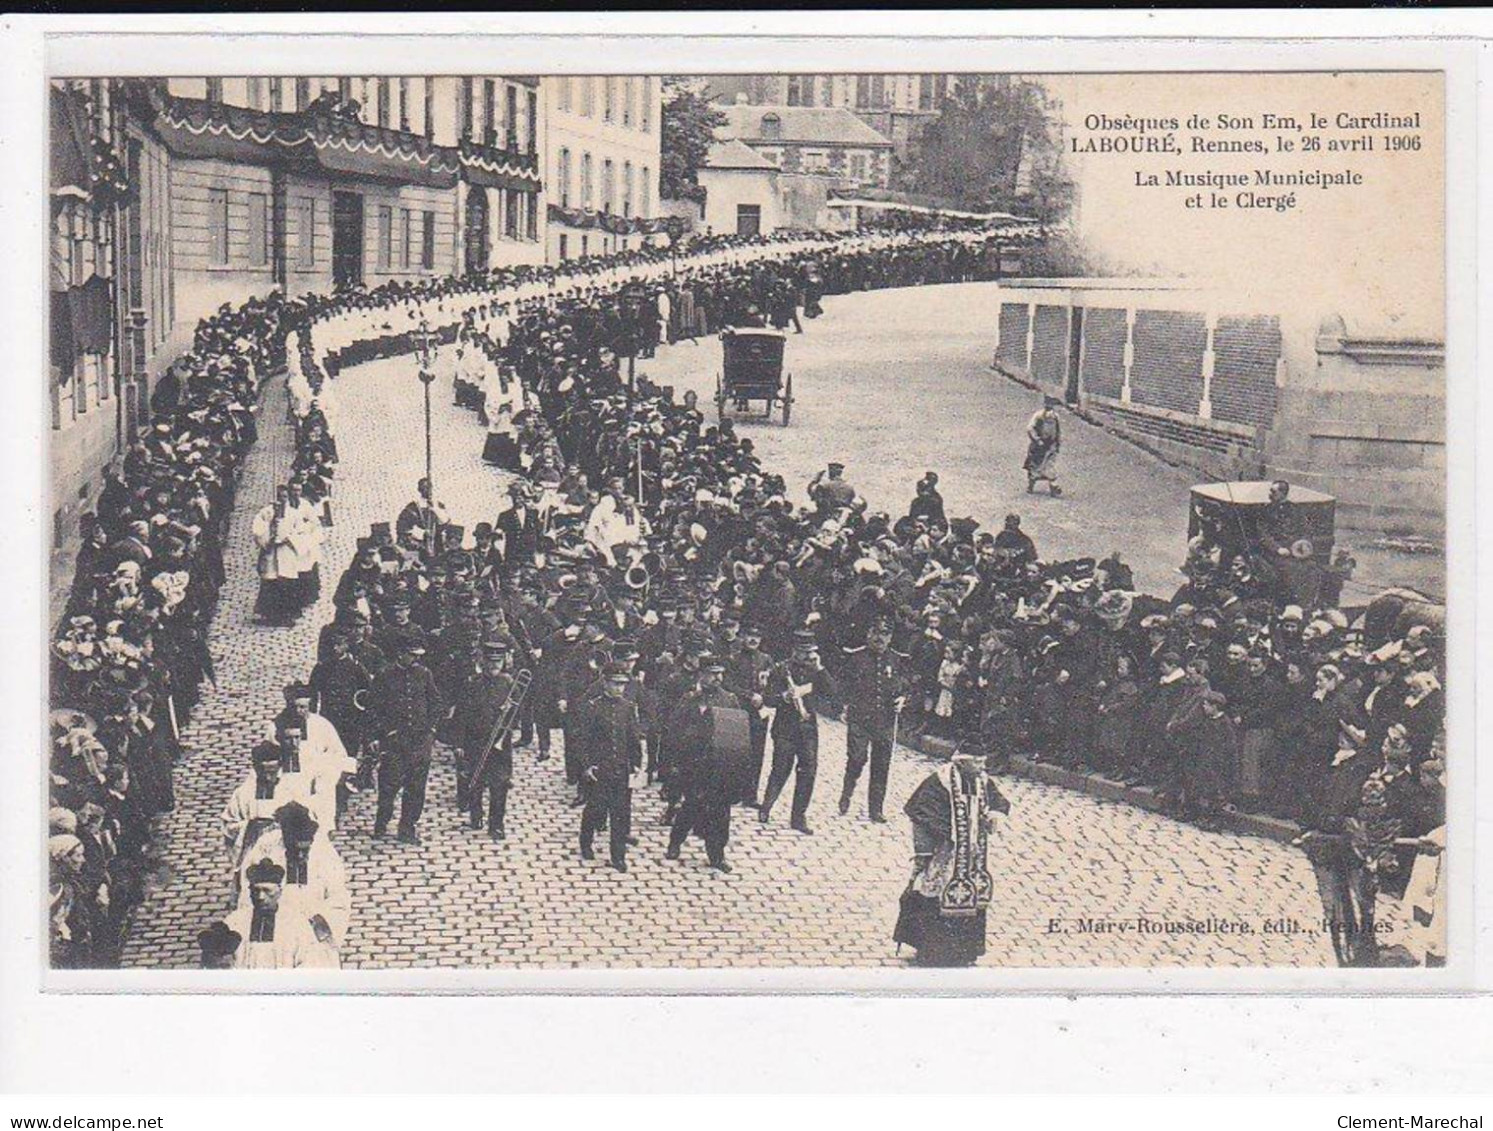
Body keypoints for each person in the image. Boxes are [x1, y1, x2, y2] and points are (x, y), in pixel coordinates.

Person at [894, 751, 1010, 967]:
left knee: (970, 895)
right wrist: (936, 841)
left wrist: (995, 813)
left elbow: (998, 801)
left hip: (972, 856)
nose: (982, 766)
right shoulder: (940, 781)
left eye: (983, 762)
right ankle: (932, 952)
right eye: (977, 761)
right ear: (963, 762)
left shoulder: (982, 780)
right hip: (944, 852)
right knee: (936, 894)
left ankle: (965, 952)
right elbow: (919, 810)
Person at [665, 658, 746, 872]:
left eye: (720, 673)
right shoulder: (690, 699)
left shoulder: (730, 699)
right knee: (691, 806)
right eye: (712, 673)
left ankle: (717, 854)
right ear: (701, 675)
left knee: (721, 812)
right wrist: (675, 762)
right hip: (694, 764)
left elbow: (737, 735)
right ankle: (675, 842)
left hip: (720, 766)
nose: (718, 678)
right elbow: (674, 730)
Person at [368, 628, 443, 845]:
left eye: (418, 655)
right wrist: (381, 733)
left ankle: (407, 827)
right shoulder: (385, 675)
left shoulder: (424, 674)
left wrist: (431, 731)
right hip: (394, 741)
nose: (416, 658)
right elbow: (373, 709)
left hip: (420, 742)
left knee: (415, 787)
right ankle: (382, 821)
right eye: (412, 654)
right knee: (389, 784)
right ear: (400, 653)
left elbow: (436, 703)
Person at [760, 630, 835, 834]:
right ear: (794, 651)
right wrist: (784, 696)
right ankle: (767, 805)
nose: (808, 657)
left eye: (811, 652)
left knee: (808, 772)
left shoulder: (815, 671)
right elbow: (768, 699)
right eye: (804, 652)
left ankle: (798, 816)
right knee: (781, 768)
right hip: (785, 728)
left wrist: (820, 668)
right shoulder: (781, 669)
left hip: (808, 729)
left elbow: (831, 692)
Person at [840, 619, 908, 823]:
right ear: (868, 634)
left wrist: (903, 698)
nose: (880, 638)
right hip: (860, 718)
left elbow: (907, 685)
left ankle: (876, 809)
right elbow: (844, 684)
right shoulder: (855, 657)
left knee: (881, 764)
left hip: (885, 720)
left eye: (885, 634)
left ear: (890, 637)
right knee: (857, 758)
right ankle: (847, 790)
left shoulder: (897, 659)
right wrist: (844, 706)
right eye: (876, 633)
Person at [579, 663, 643, 872]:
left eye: (623, 685)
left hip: (621, 769)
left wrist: (636, 765)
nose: (620, 689)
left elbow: (633, 739)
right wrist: (587, 765)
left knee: (621, 813)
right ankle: (586, 841)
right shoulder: (592, 707)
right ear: (605, 683)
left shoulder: (628, 707)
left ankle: (618, 856)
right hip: (600, 769)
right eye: (616, 684)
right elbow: (583, 740)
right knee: (596, 809)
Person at [458, 638, 520, 841]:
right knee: (475, 780)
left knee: (500, 784)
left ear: (504, 662)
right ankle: (476, 814)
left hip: (500, 743)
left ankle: (497, 824)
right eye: (490, 661)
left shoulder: (510, 684)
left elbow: (519, 715)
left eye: (498, 662)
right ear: (483, 661)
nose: (494, 665)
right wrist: (459, 744)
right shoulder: (471, 683)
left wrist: (508, 712)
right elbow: (462, 715)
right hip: (475, 741)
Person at [1024, 396, 1063, 495]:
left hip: (1051, 445)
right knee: (1035, 466)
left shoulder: (1055, 416)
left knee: (1050, 465)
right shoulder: (1038, 416)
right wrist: (1037, 440)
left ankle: (1054, 487)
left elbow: (1058, 430)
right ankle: (1031, 485)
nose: (1050, 407)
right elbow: (1030, 428)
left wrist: (1057, 442)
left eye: (1052, 405)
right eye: (1048, 405)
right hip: (1039, 445)